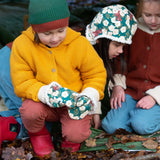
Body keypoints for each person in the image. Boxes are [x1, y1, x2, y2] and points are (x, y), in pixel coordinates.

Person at [10, 0, 106, 157]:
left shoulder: (79, 43)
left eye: (61, 30)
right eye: (47, 34)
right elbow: (21, 81)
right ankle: (39, 135)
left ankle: (70, 142)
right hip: (42, 102)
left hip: (73, 103)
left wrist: (89, 94)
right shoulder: (22, 44)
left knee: (77, 133)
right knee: (29, 111)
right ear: (35, 29)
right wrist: (44, 92)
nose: (55, 39)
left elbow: (95, 74)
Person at [101, 0, 160, 135]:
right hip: (131, 91)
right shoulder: (133, 29)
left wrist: (154, 97)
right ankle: (137, 117)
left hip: (157, 95)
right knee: (111, 126)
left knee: (141, 125)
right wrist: (118, 86)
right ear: (139, 9)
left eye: (159, 15)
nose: (153, 20)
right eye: (147, 15)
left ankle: (141, 119)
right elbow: (121, 61)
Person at [85, 5, 137, 119]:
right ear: (99, 39)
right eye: (117, 45)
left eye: (123, 46)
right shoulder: (85, 57)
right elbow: (89, 84)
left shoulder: (112, 56)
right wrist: (95, 109)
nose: (121, 50)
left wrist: (117, 85)